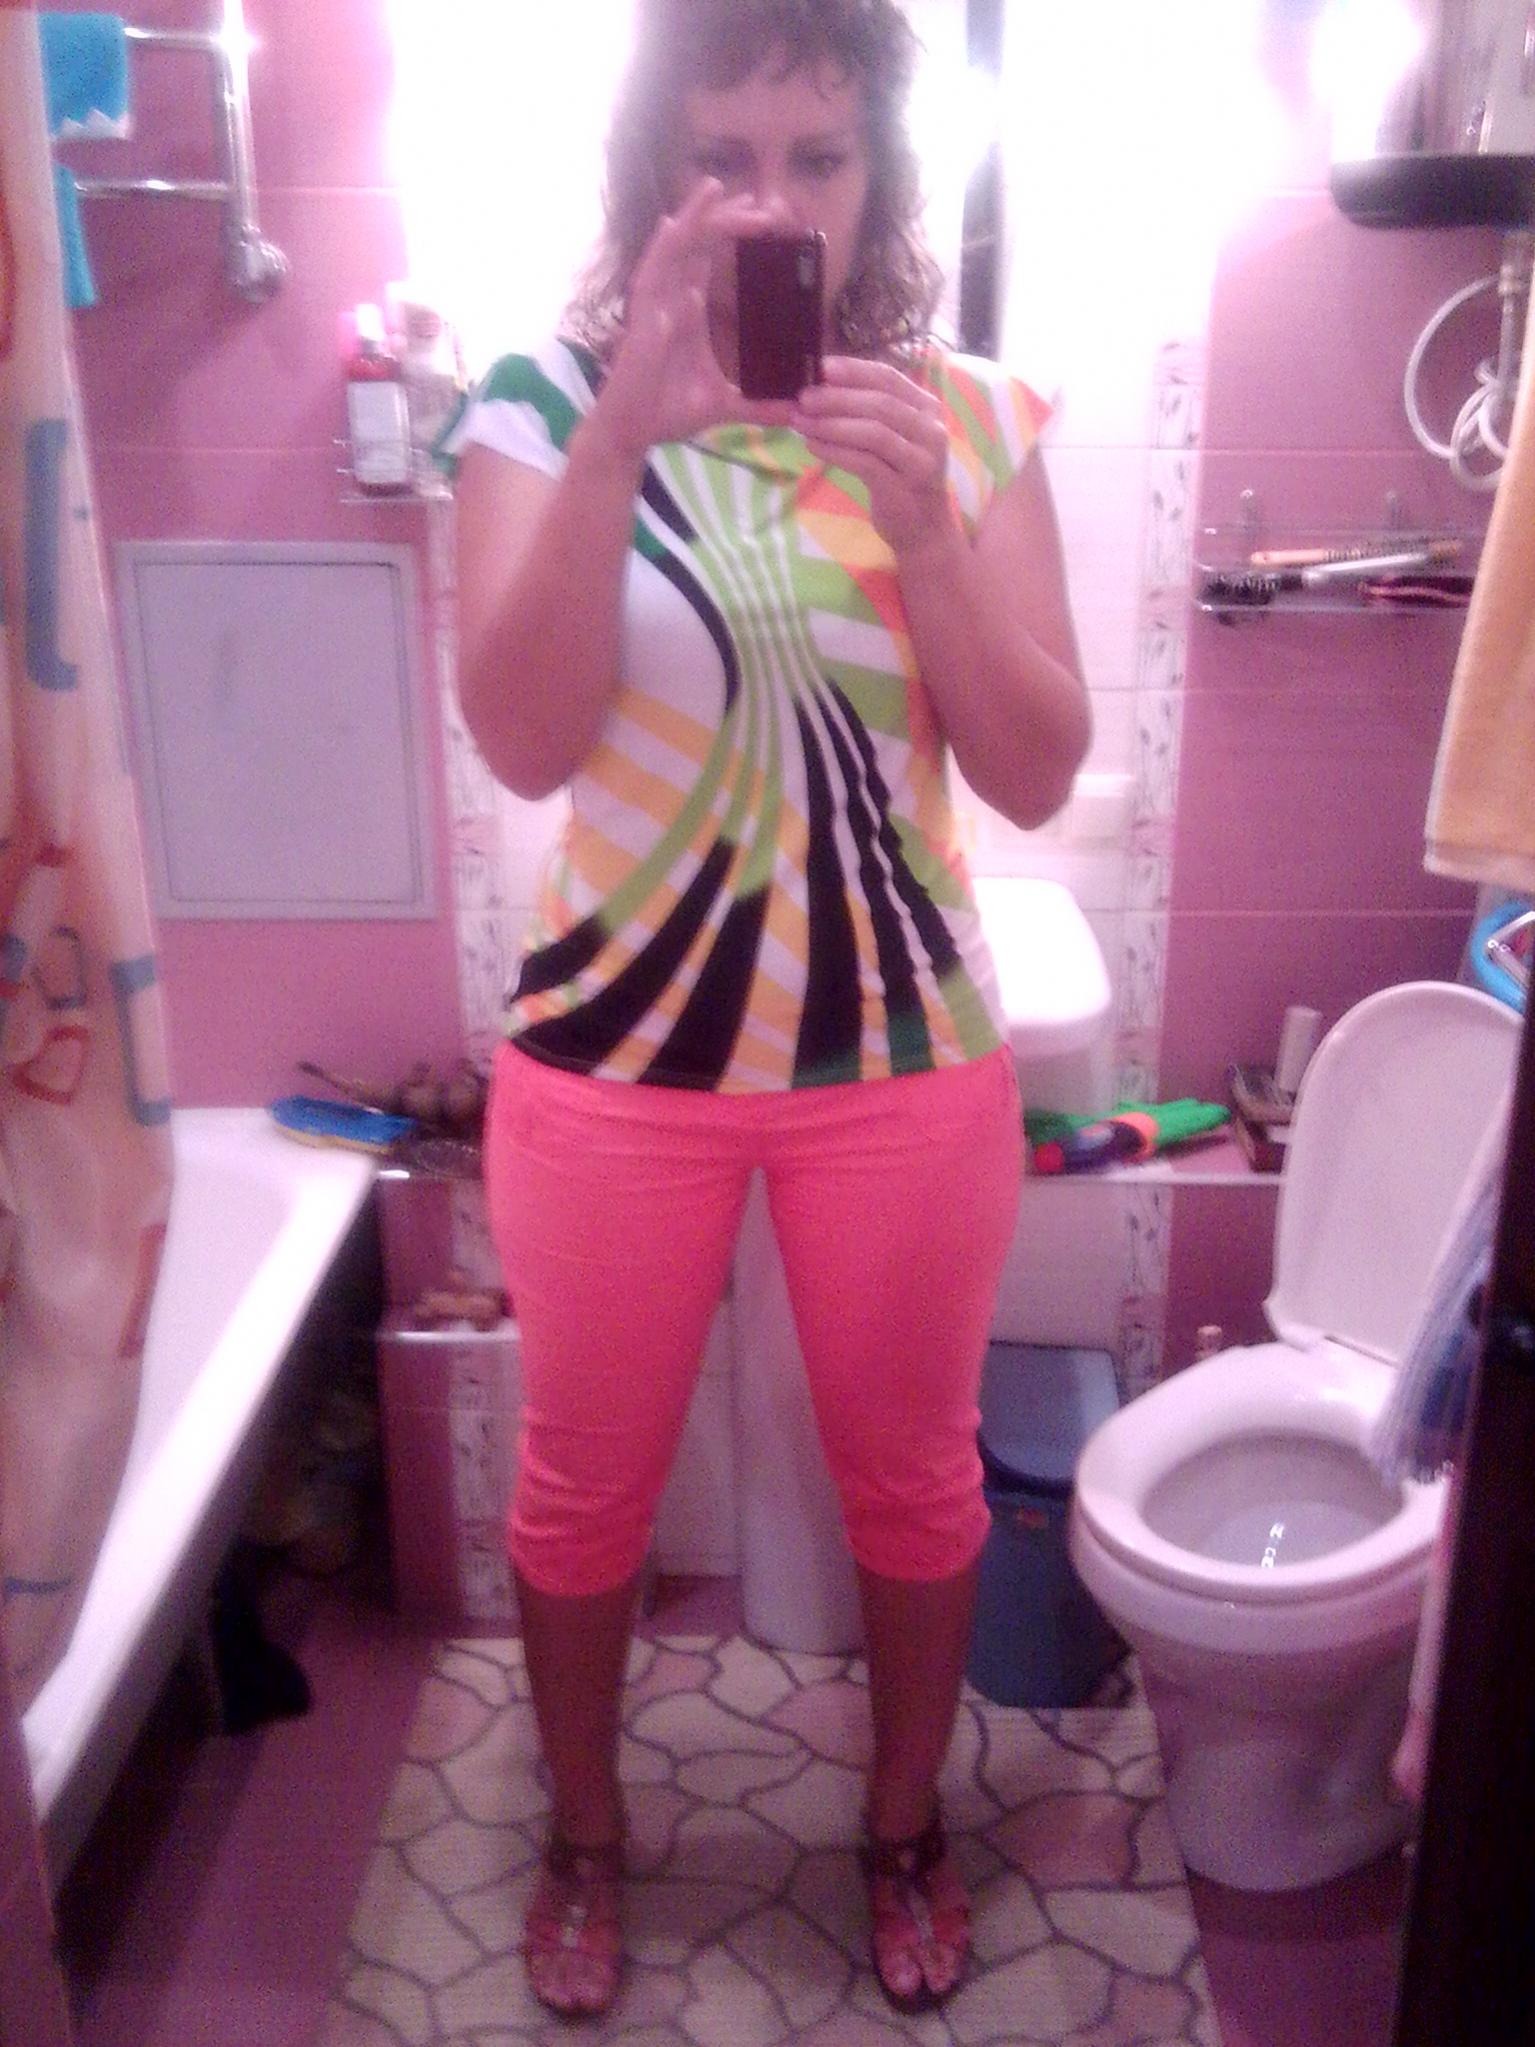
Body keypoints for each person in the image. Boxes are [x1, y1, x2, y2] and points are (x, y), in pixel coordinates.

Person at [448, 0, 1089, 2018]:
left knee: (915, 1473)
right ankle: (584, 1830)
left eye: (816, 159)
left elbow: (1037, 770)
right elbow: (525, 736)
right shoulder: (539, 404)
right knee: (584, 1482)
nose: (766, 203)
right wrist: (617, 441)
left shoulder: (962, 416)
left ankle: (902, 1824)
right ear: (653, 169)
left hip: (897, 1052)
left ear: (879, 180)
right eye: (720, 155)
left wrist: (925, 535)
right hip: (612, 1055)